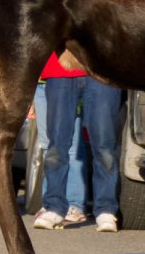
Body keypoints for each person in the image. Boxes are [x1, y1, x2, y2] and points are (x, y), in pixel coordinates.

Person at [33, 52, 123, 233]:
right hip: (60, 69)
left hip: (103, 69)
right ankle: (54, 207)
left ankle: (106, 209)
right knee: (57, 146)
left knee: (104, 146)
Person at [29, 75, 89, 223]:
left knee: (72, 147)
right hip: (40, 84)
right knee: (47, 145)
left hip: (69, 82)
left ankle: (74, 203)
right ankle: (50, 201)